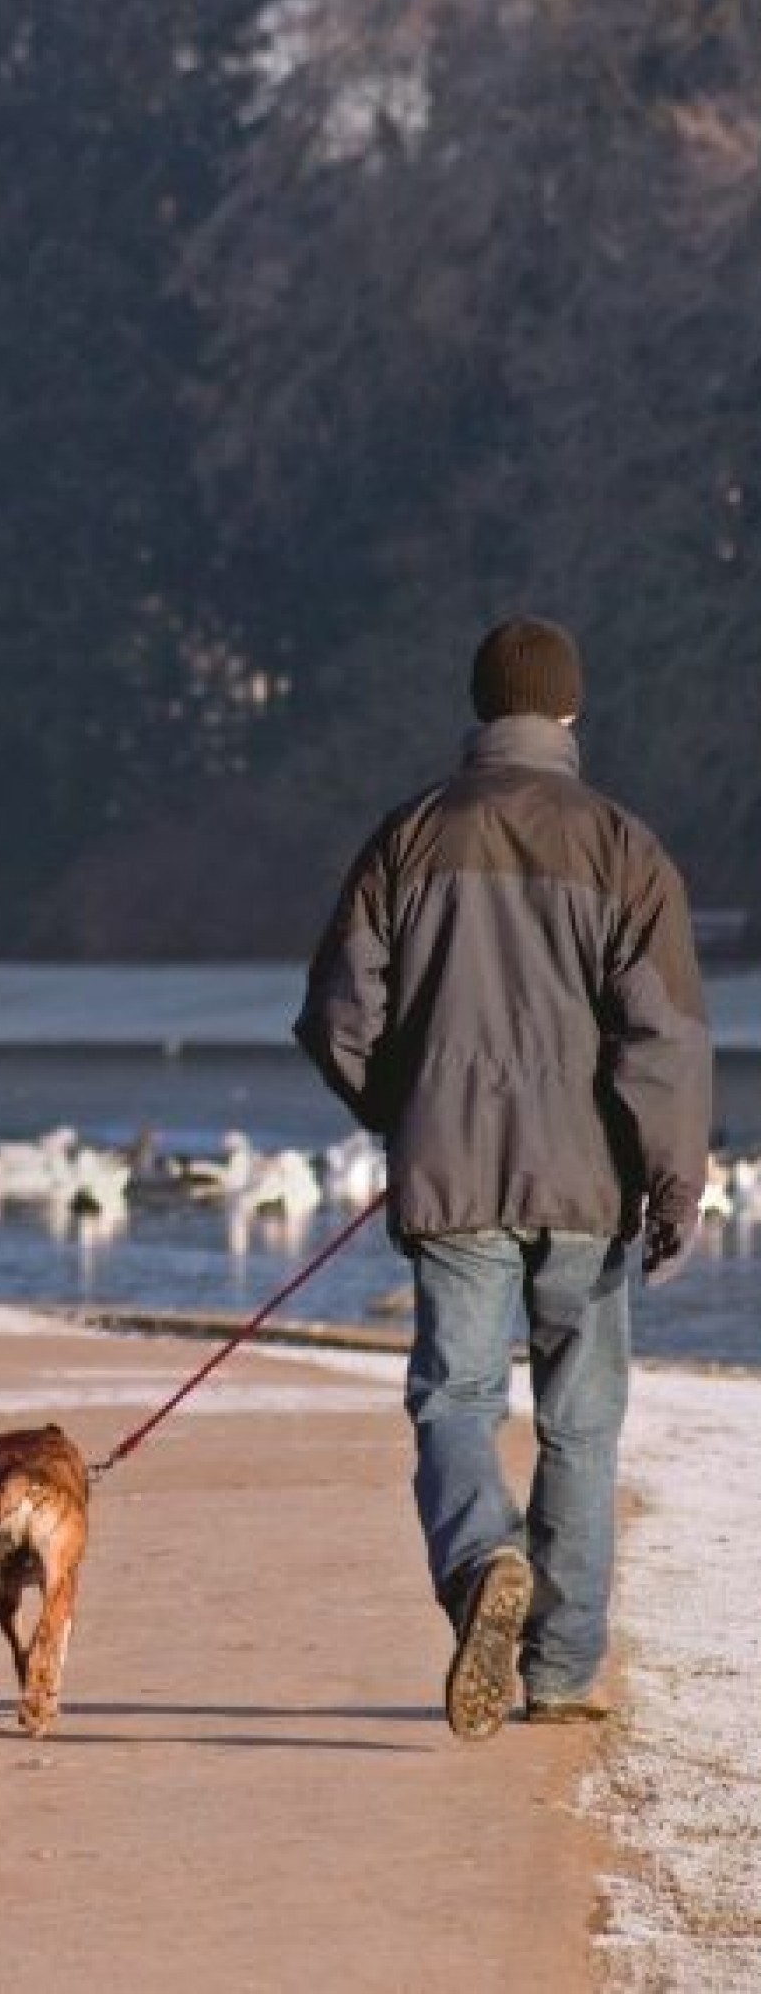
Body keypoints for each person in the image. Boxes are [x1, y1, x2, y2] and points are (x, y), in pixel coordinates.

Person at [295, 618, 710, 1740]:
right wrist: (674, 1187)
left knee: (454, 1399)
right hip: (586, 1182)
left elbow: (336, 1016)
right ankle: (563, 1667)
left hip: (454, 1173)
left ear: (482, 708)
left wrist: (404, 1106)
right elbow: (662, 1041)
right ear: (566, 711)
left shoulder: (409, 834)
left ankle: (482, 1555)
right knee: (579, 1423)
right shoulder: (622, 847)